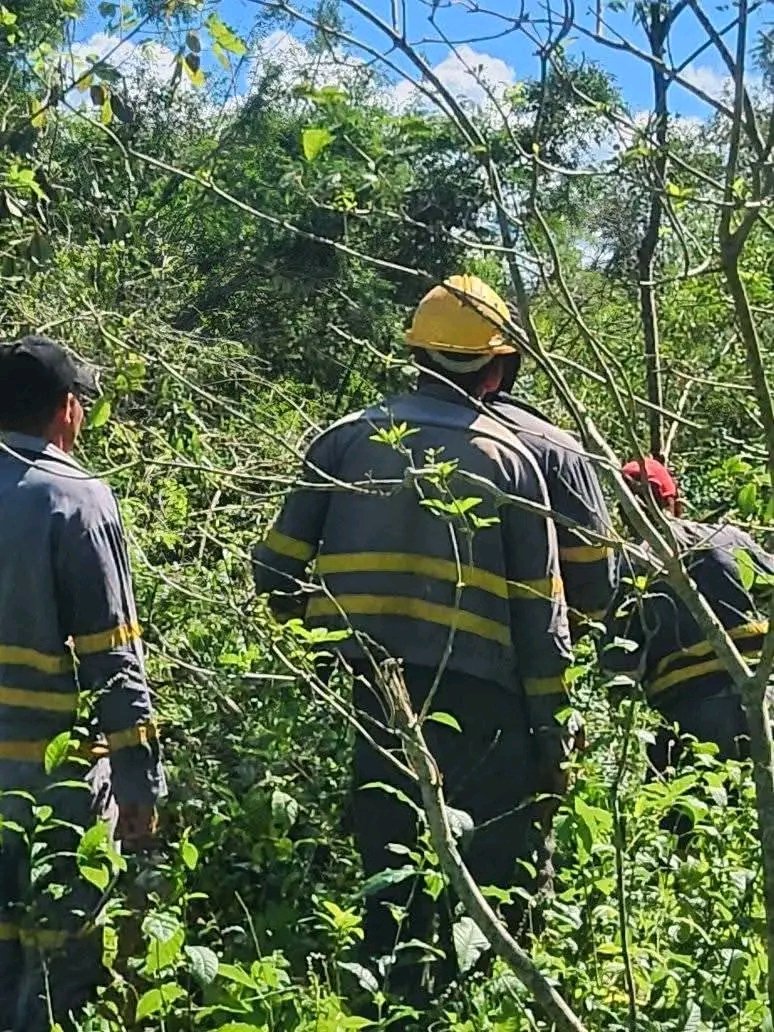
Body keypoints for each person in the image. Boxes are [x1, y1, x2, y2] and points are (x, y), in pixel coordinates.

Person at [253, 276, 575, 1002]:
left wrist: (334, 630)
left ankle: (392, 1007)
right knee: (492, 890)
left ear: (416, 357)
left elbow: (272, 572)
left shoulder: (343, 439)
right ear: (500, 367)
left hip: (374, 697)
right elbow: (541, 617)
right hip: (488, 709)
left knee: (391, 880)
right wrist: (555, 731)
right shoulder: (513, 461)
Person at [0, 336, 165, 1031]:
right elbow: (112, 660)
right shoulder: (76, 498)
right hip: (50, 782)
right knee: (56, 973)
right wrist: (140, 782)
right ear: (68, 411)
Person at [602, 456, 773, 773]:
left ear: (624, 513)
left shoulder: (630, 566)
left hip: (689, 713)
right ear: (674, 502)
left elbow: (618, 669)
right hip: (763, 696)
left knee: (684, 815)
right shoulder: (730, 539)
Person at [490, 351, 617, 638]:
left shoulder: (370, 432)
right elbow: (595, 580)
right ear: (502, 367)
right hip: (515, 661)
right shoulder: (554, 449)